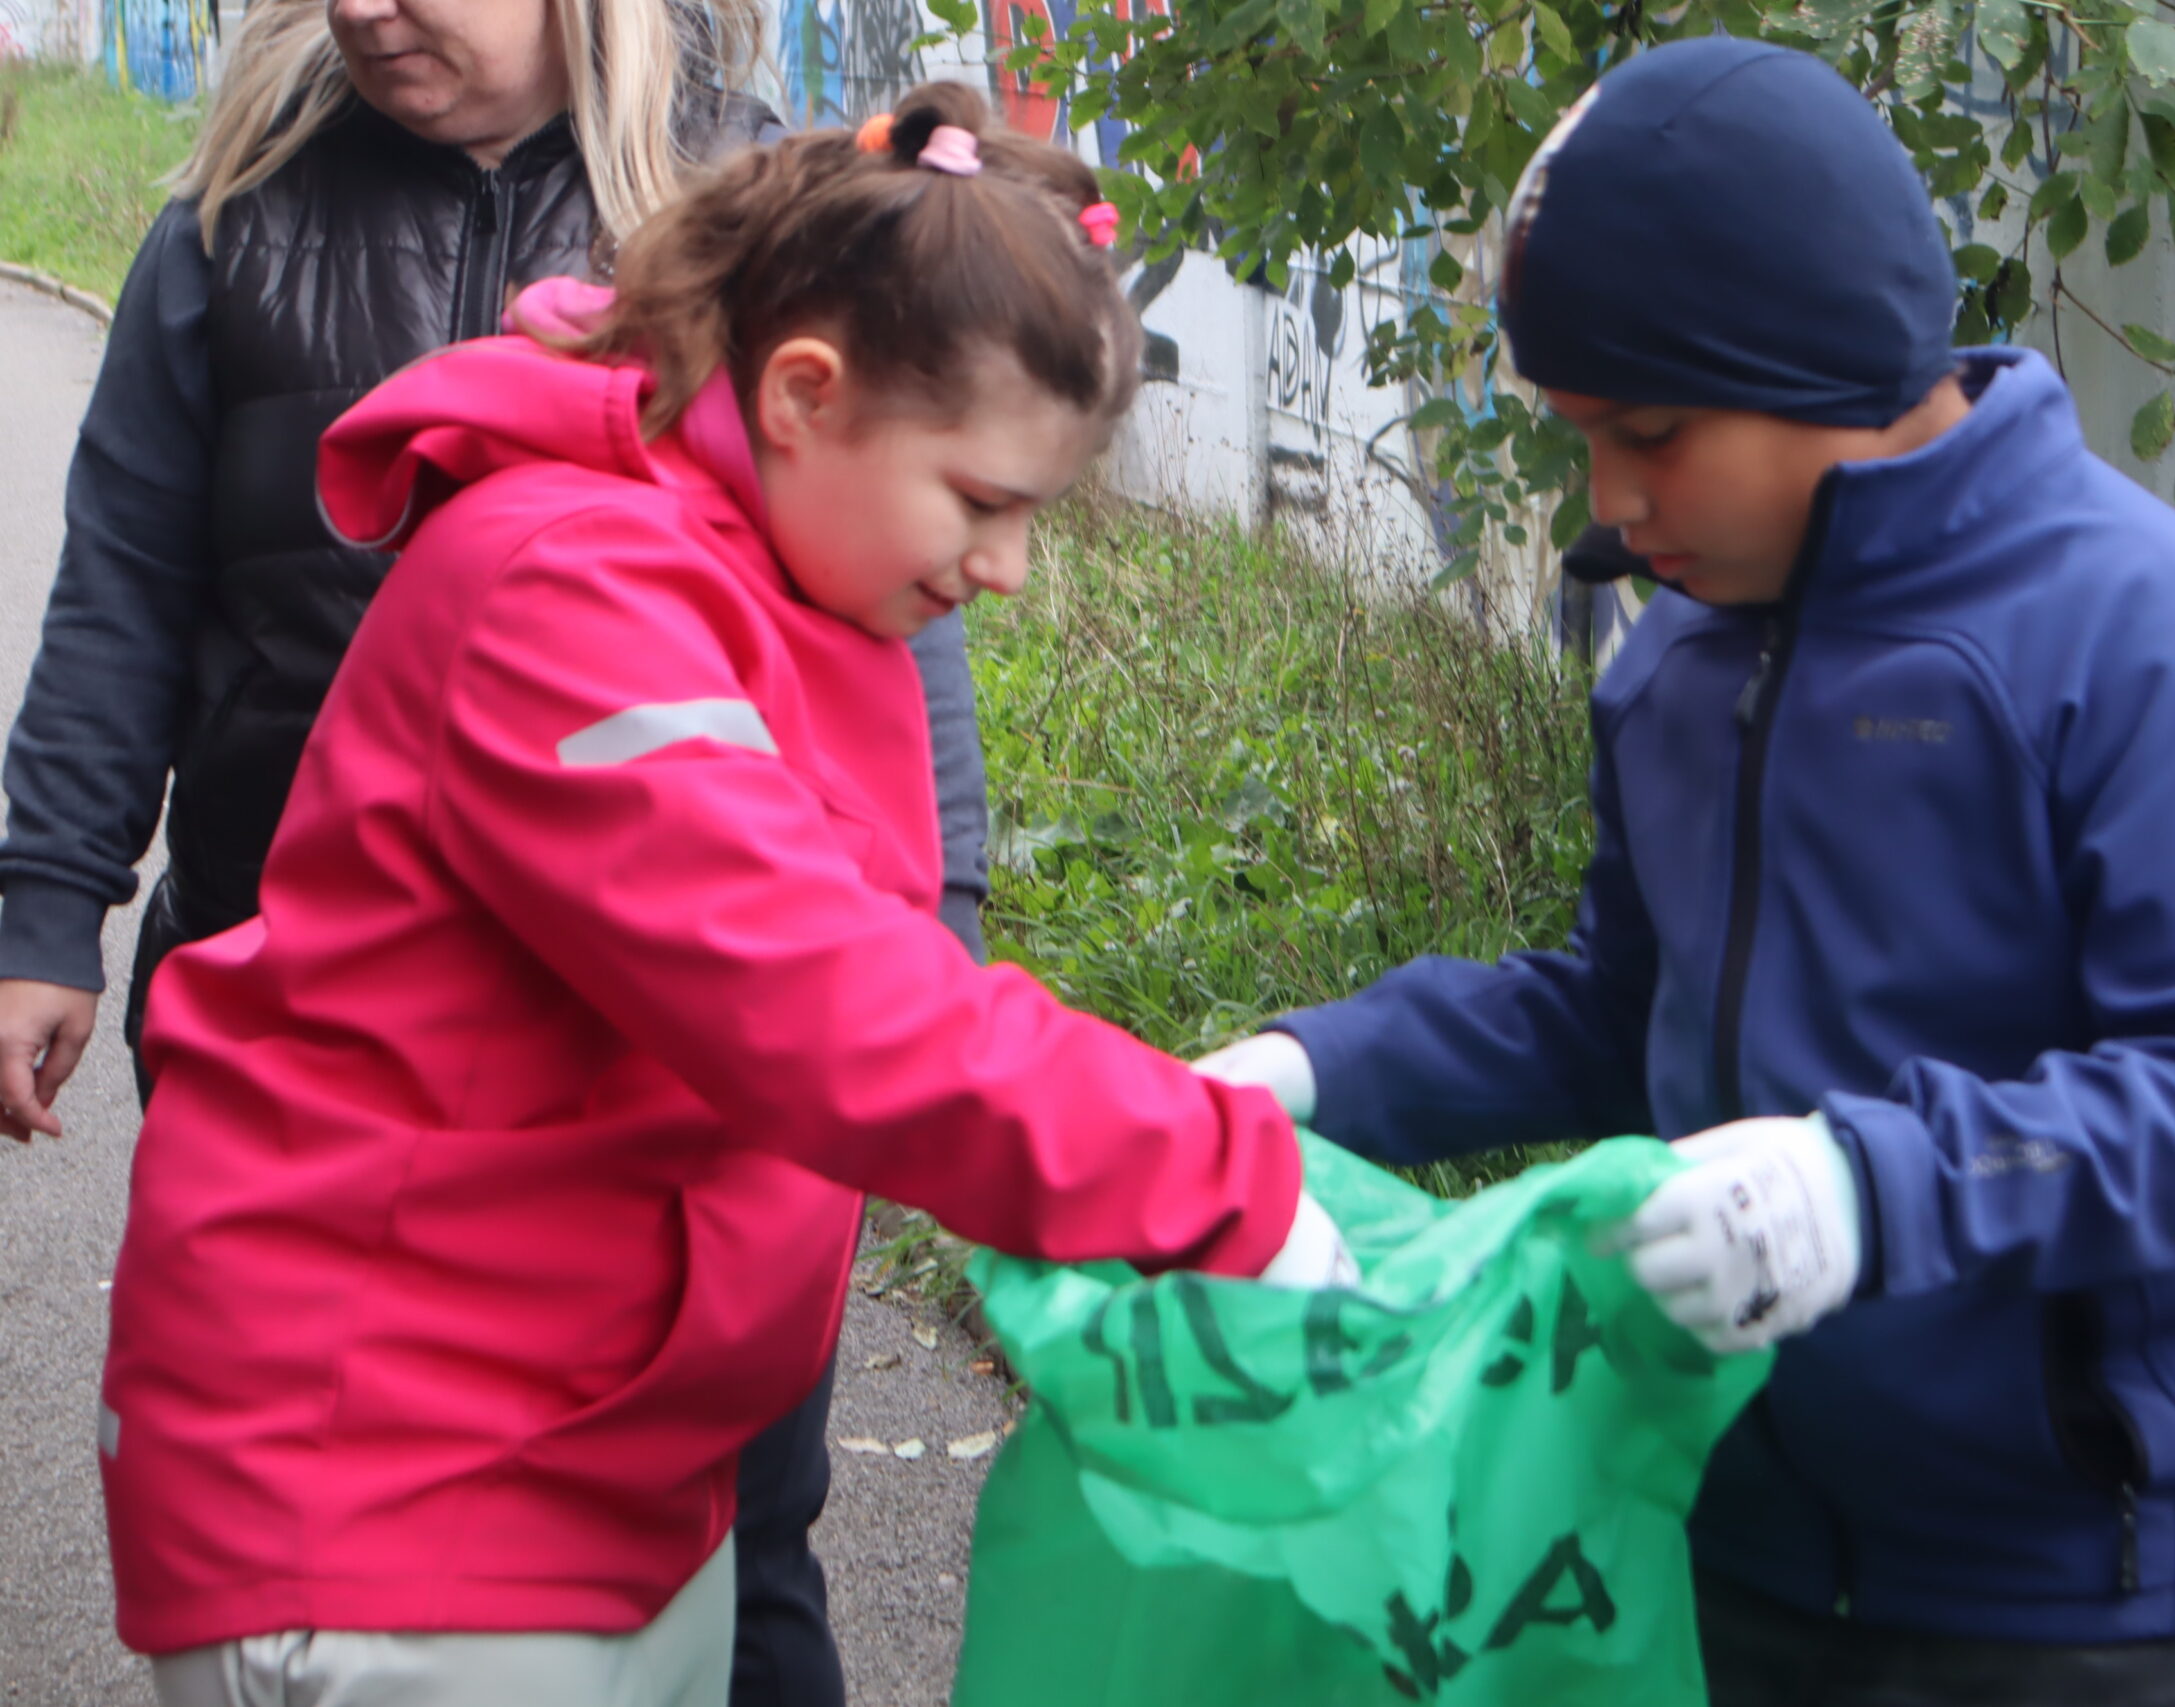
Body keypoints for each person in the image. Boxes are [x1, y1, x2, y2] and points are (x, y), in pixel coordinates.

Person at [101, 87, 1354, 1707]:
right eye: (982, 501)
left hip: (584, 1480)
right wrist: (1213, 1179)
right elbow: (828, 997)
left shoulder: (756, 571)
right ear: (803, 395)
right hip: (392, 1505)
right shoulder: (575, 589)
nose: (1008, 570)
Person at [1196, 38, 2175, 1707]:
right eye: (1581, 432)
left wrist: (1870, 1190)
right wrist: (1317, 1072)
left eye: (1653, 431)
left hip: (2097, 1601)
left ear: (1828, 368)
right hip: (1729, 1546)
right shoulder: (1676, 661)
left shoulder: (2163, 652)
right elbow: (1617, 1011)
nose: (1609, 500)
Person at [0, 3, 990, 1696]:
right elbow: (127, 581)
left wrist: (930, 938)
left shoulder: (747, 206)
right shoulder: (237, 214)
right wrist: (47, 902)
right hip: (322, 1033)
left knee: (736, 1541)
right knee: (372, 1539)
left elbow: (895, 613)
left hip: (679, 1070)